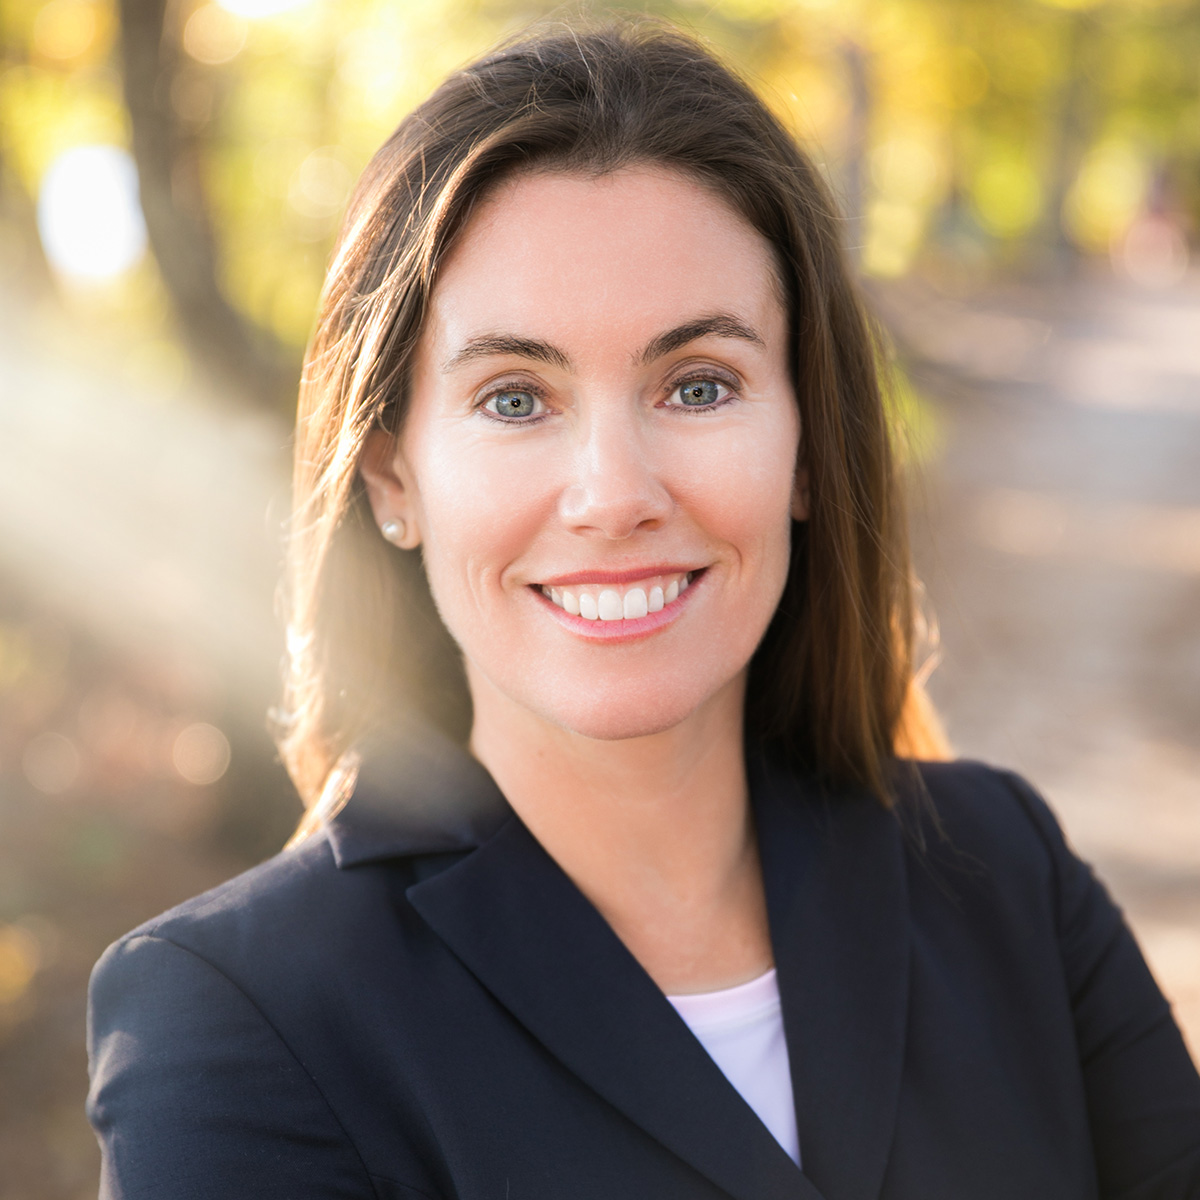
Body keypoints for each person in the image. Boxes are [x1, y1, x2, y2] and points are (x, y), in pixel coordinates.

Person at [86, 20, 1200, 1200]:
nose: (614, 496)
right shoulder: (233, 1024)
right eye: (516, 398)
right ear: (393, 478)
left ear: (810, 447)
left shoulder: (1002, 870)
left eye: (699, 384)